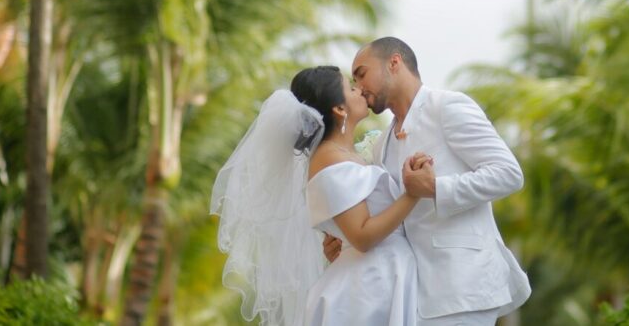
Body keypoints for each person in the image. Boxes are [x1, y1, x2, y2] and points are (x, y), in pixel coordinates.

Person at [331, 37, 532, 325]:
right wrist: (343, 240)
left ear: (394, 62)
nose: (358, 86)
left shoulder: (447, 106)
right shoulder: (381, 143)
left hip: (463, 286)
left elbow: (509, 173)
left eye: (361, 73)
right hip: (413, 294)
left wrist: (436, 188)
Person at [211, 66, 430, 325]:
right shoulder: (328, 159)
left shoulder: (344, 155)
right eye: (350, 87)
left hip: (380, 278)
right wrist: (412, 194)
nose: (359, 89)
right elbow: (361, 236)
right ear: (339, 109)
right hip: (368, 291)